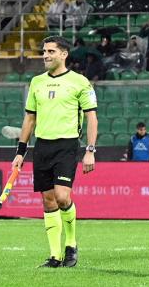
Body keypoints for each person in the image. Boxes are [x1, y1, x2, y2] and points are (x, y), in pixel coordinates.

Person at [12, 36, 98, 268]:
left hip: (66, 145)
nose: (46, 55)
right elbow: (30, 119)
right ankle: (54, 256)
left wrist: (90, 150)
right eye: (44, 51)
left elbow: (92, 118)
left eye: (51, 51)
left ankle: (71, 244)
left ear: (64, 54)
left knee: (62, 197)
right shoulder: (36, 82)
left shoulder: (80, 82)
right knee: (48, 201)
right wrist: (20, 151)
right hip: (42, 146)